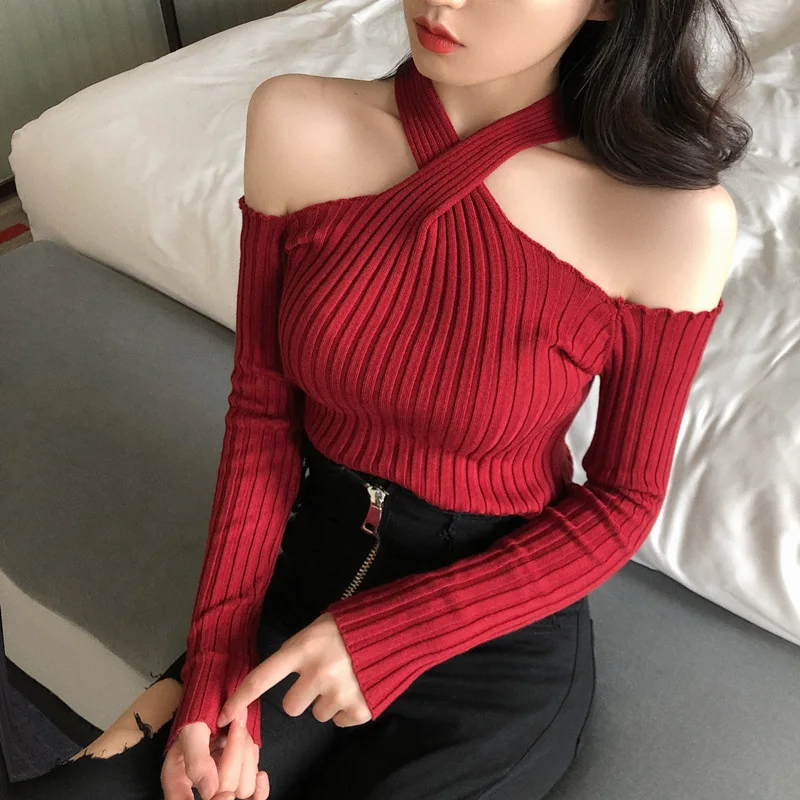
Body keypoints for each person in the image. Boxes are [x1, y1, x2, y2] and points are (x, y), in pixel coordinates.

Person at [9, 0, 752, 798]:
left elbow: (623, 500)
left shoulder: (669, 222)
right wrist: (214, 668)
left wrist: (392, 637)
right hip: (308, 576)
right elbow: (263, 412)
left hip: (489, 626)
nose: (442, 2)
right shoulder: (298, 123)